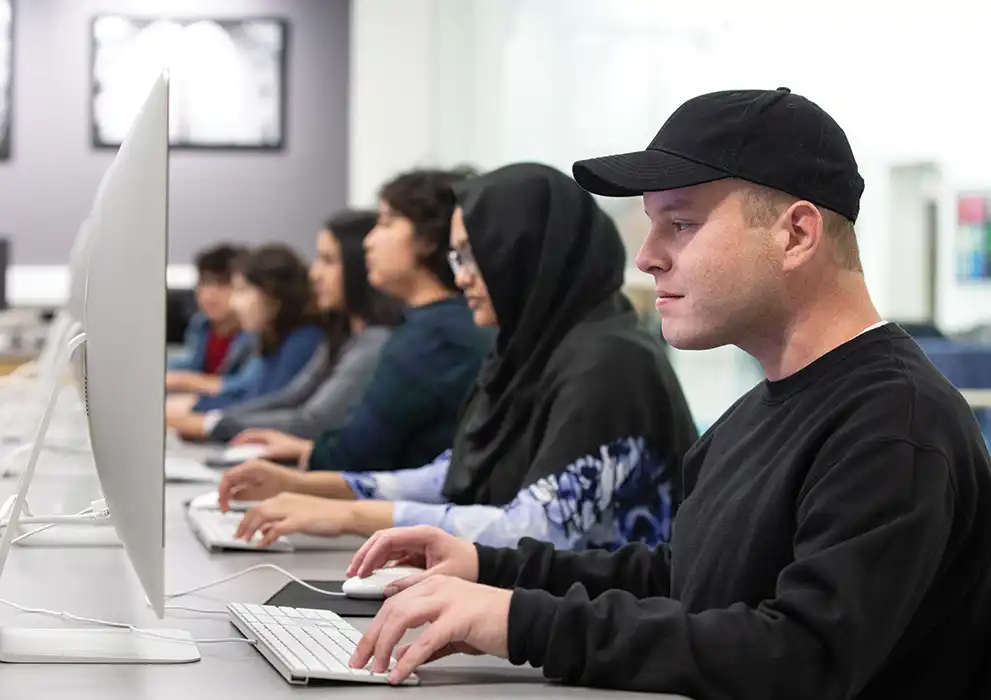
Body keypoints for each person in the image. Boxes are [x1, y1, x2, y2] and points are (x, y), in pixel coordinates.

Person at [342, 88, 991, 698]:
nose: (647, 256)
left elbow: (801, 657)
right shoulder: (759, 411)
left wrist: (524, 624)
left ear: (796, 234)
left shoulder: (892, 425)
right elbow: (684, 575)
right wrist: (490, 569)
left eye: (679, 224)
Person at [218, 163, 698, 551]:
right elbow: (451, 473)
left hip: (604, 643)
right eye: (456, 259)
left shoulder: (611, 363)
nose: (462, 277)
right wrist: (310, 486)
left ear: (524, 254)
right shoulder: (528, 351)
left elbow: (536, 528)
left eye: (473, 255)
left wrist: (350, 515)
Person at [223, 168, 493, 472]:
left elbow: (362, 454)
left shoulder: (433, 336)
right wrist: (310, 451)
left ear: (427, 239)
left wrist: (306, 465)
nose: (369, 241)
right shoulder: (428, 323)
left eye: (386, 223)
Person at [170, 210, 402, 442]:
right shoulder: (339, 334)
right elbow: (289, 397)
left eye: (328, 261)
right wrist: (214, 419)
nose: (315, 274)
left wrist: (212, 423)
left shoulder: (365, 340)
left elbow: (312, 420)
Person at [172, 244, 324, 416]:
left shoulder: (303, 341)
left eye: (242, 291)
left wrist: (198, 414)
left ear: (272, 295)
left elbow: (261, 406)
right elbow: (249, 394)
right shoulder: (273, 338)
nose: (235, 303)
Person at [166, 244, 254, 394]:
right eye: (205, 283)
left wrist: (188, 381)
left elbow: (248, 385)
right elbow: (189, 364)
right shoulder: (201, 324)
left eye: (222, 285)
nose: (209, 295)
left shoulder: (255, 333)